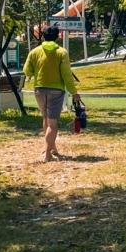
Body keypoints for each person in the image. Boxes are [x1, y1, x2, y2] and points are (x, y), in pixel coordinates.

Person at [23, 26, 80, 162]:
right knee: (52, 123)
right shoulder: (61, 52)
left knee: (45, 119)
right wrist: (74, 93)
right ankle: (47, 154)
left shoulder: (35, 52)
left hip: (39, 89)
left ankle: (50, 147)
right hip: (56, 90)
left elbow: (27, 71)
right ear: (57, 36)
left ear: (43, 36)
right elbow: (67, 75)